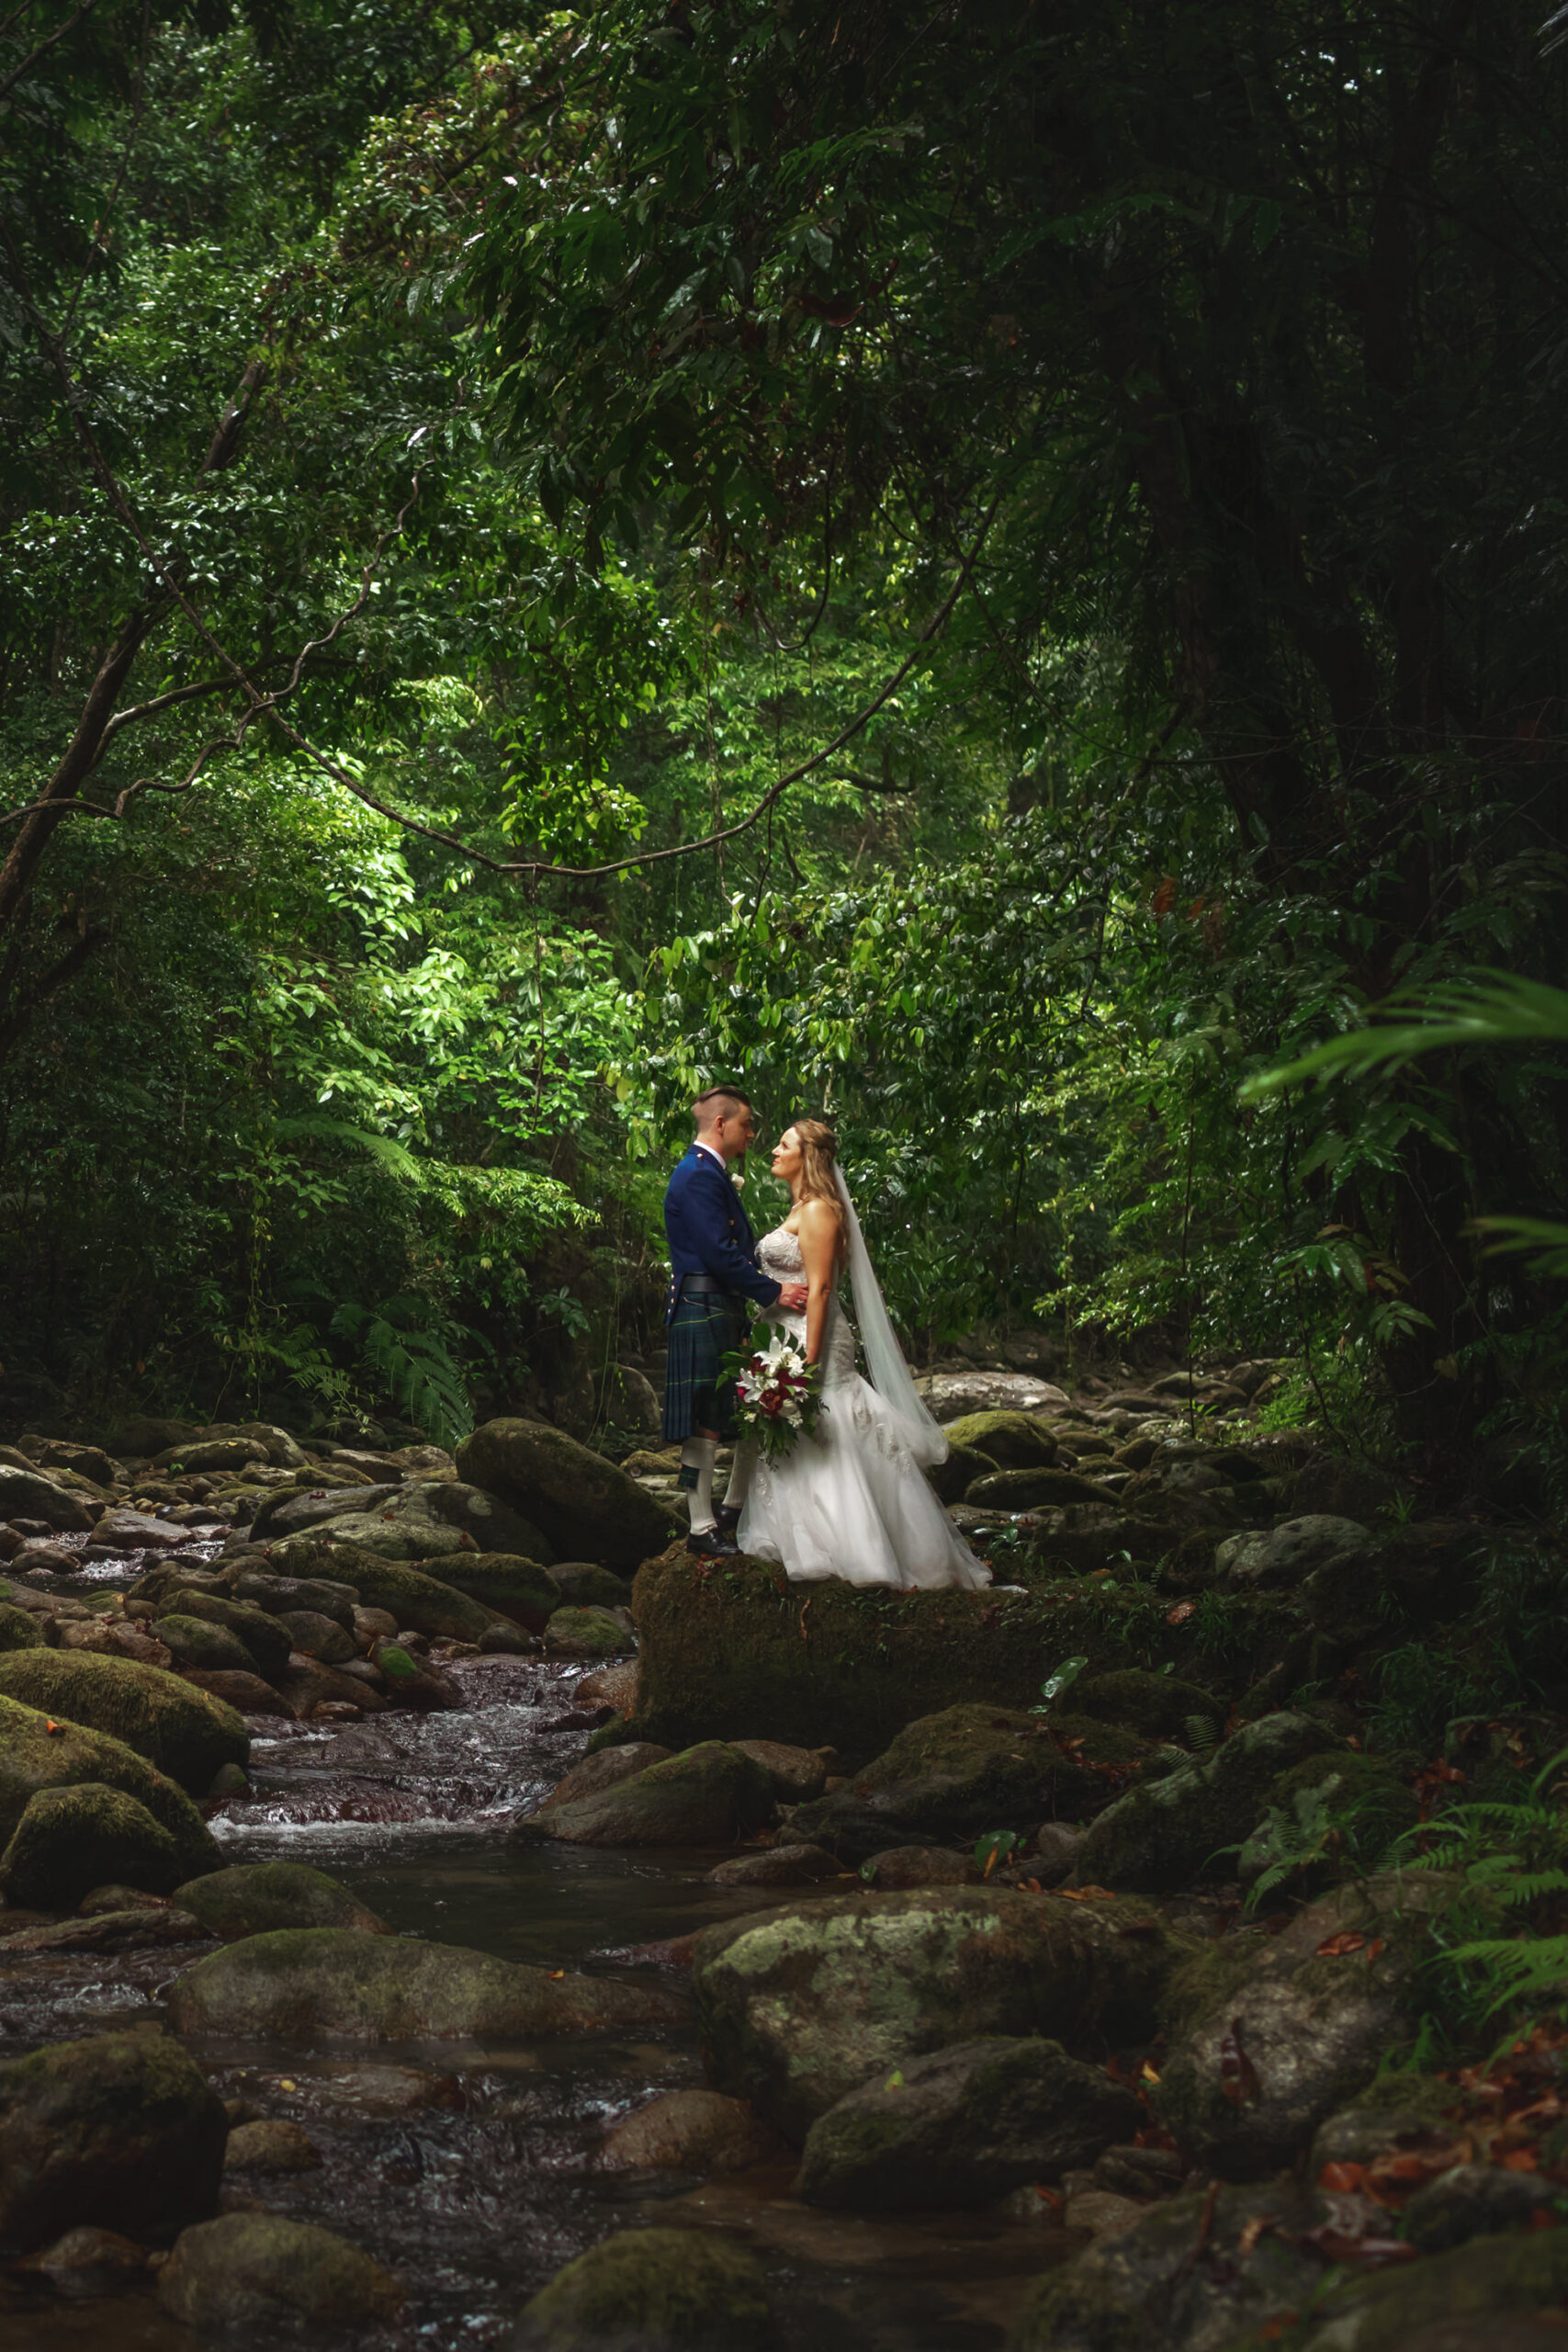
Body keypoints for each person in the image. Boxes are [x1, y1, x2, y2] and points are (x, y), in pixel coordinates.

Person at [736, 1119, 991, 1590]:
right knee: (800, 1440)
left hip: (811, 1343)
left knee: (832, 1431)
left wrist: (805, 1369)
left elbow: (821, 1289)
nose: (773, 1149)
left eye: (784, 1144)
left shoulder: (817, 1212)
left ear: (807, 1156)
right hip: (783, 1338)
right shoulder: (801, 1207)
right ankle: (801, 1539)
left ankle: (864, 1551)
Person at [663, 1086, 808, 1556]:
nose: (752, 1135)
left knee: (740, 1410)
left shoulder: (709, 1173)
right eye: (747, 1125)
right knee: (704, 1419)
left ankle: (730, 1508)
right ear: (721, 1124)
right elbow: (717, 1252)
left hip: (716, 1305)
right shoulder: (699, 1175)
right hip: (704, 1303)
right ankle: (701, 1528)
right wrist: (773, 1291)